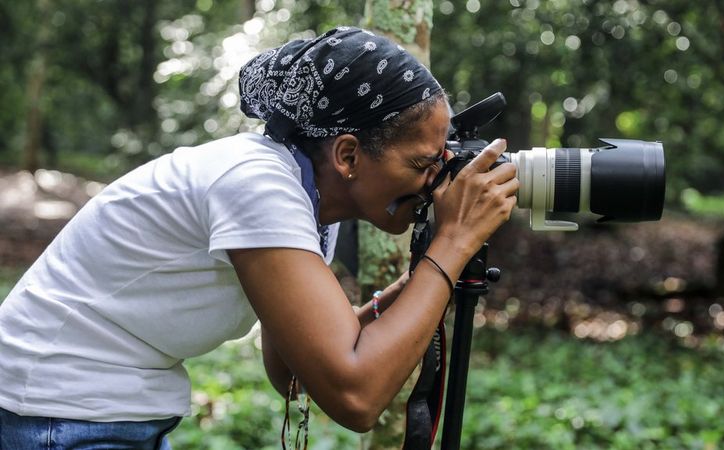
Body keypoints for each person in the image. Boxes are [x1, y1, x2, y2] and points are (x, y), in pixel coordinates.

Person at [0, 26, 517, 448]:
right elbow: (355, 396)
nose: (436, 179)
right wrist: (451, 248)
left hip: (103, 411)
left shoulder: (308, 199)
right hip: (57, 412)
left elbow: (293, 369)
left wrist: (416, 284)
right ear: (348, 155)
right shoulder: (257, 185)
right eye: (424, 163)